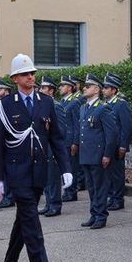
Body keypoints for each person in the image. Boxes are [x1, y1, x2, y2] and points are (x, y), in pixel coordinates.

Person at [0, 54, 70, 262]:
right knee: (32, 224)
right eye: (25, 74)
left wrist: (66, 168)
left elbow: (56, 138)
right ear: (15, 78)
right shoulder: (5, 105)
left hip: (38, 171)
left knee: (24, 220)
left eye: (32, 73)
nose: (31, 77)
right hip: (17, 172)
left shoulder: (46, 102)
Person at [73, 73, 117, 229]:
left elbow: (111, 134)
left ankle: (101, 216)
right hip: (86, 154)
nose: (84, 89)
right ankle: (94, 214)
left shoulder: (103, 108)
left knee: (100, 187)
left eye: (87, 86)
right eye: (84, 86)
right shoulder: (83, 108)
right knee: (91, 187)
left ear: (96, 89)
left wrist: (107, 155)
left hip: (98, 156)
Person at [102, 73, 132, 212]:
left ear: (114, 90)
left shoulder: (121, 104)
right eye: (103, 87)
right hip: (108, 145)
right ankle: (111, 198)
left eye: (106, 88)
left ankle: (118, 199)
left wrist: (123, 146)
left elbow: (126, 127)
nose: (103, 90)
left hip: (117, 146)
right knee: (108, 174)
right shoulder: (105, 104)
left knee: (117, 174)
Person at [38, 78, 64, 216]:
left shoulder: (56, 106)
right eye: (40, 88)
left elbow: (61, 129)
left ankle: (55, 205)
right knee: (45, 178)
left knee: (53, 178)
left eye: (44, 88)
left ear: (51, 91)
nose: (40, 90)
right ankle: (48, 204)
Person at [54, 76, 80, 211]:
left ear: (70, 88)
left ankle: (71, 192)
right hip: (63, 140)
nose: (60, 88)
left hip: (70, 141)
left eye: (63, 85)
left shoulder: (74, 103)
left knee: (71, 167)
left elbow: (76, 124)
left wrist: (75, 142)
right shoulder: (62, 102)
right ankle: (67, 190)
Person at [0, 79, 16, 210]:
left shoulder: (11, 103)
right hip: (1, 140)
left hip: (9, 142)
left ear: (6, 91)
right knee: (4, 170)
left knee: (9, 171)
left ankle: (10, 197)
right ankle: (6, 196)